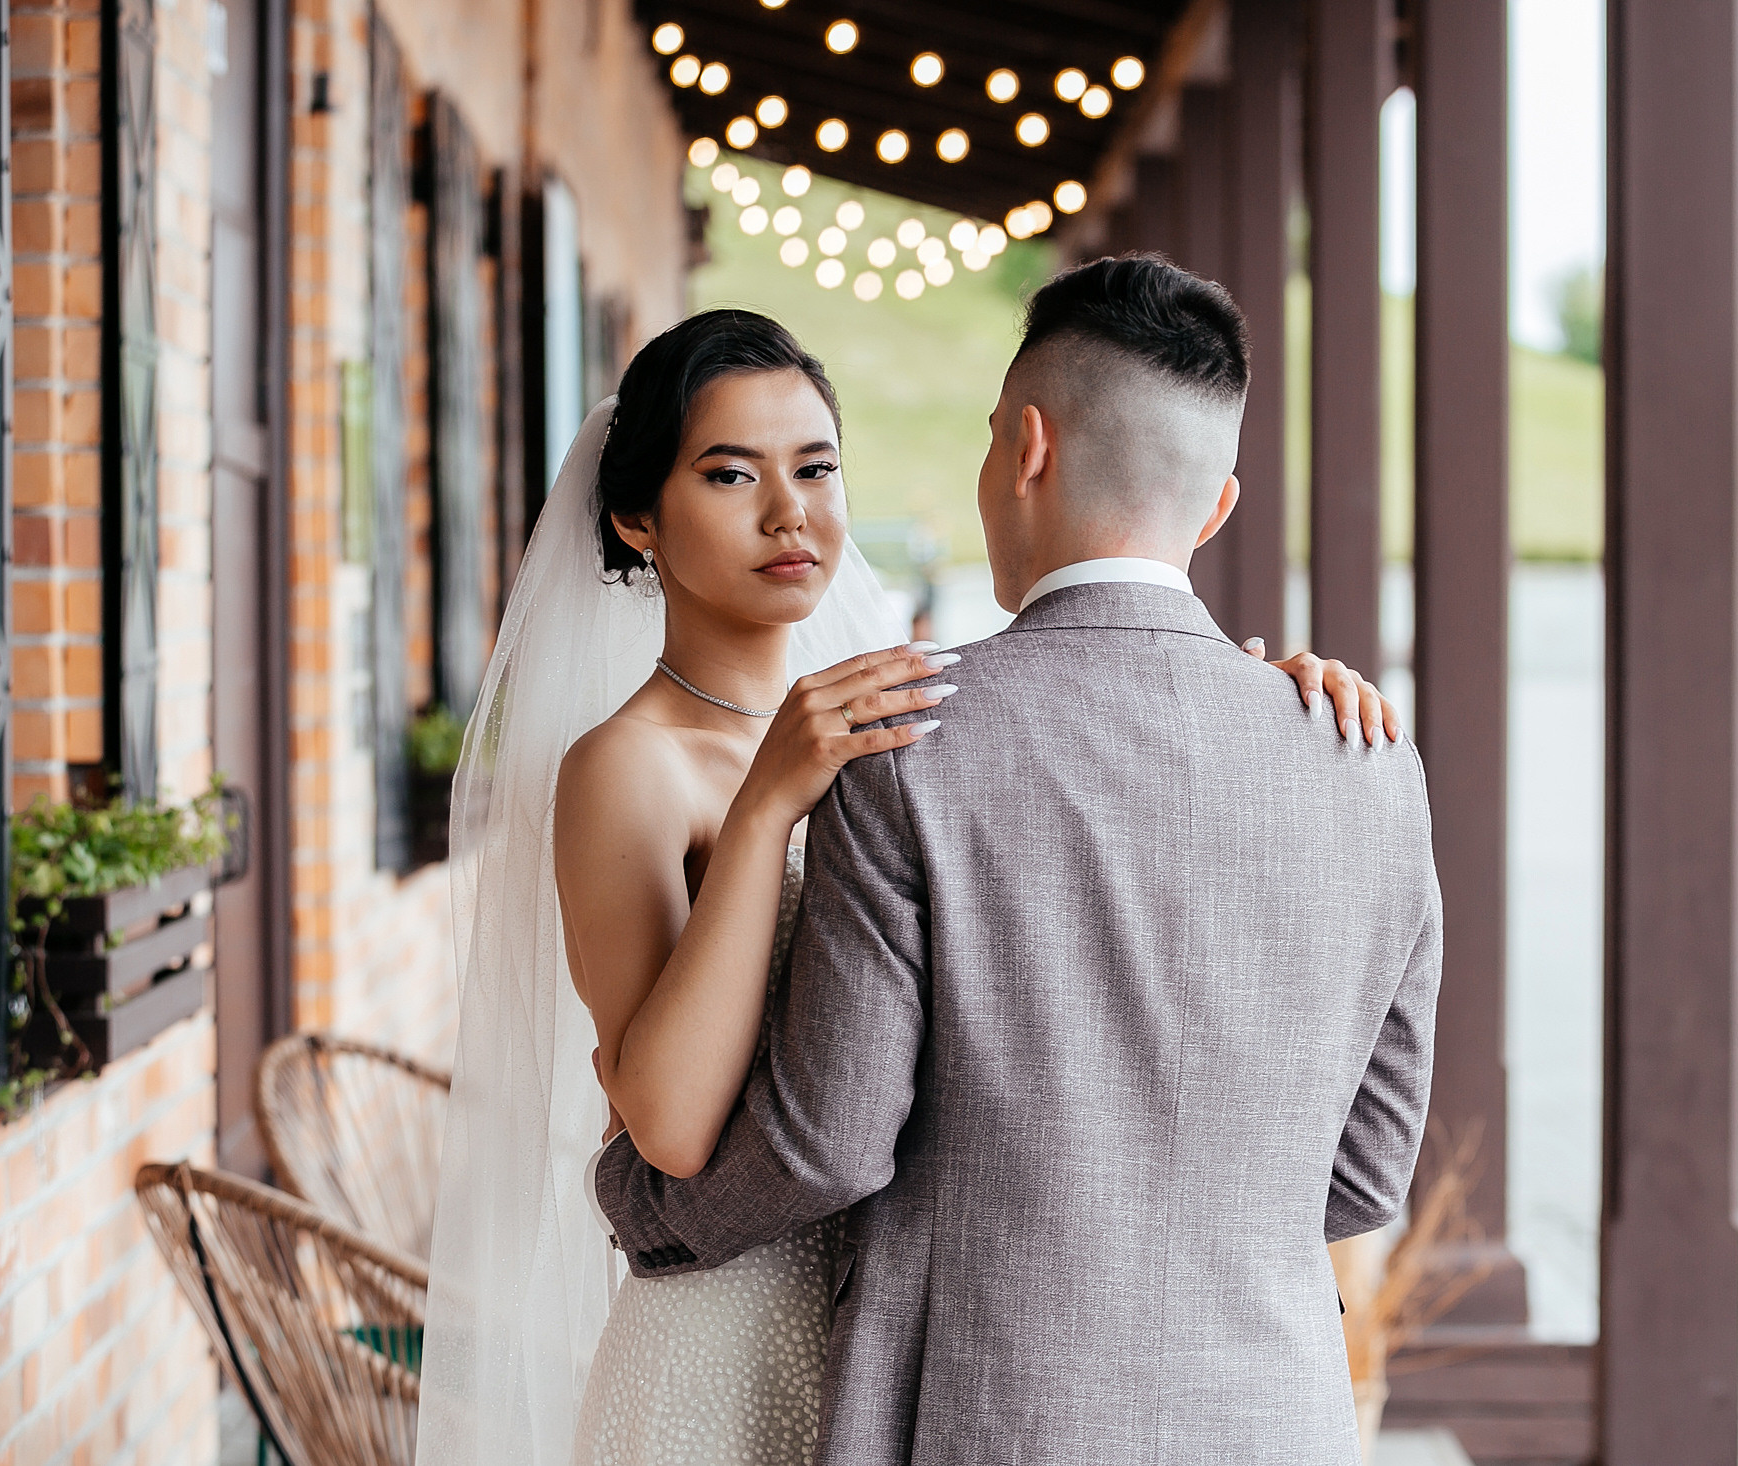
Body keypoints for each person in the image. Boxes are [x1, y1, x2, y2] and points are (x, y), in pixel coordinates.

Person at [416, 305, 1398, 1466]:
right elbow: (669, 1124)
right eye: (729, 473)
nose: (788, 512)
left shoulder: (900, 722)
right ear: (639, 516)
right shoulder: (626, 765)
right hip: (728, 1327)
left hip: (914, 1332)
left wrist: (1251, 707)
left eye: (816, 467)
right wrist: (765, 808)